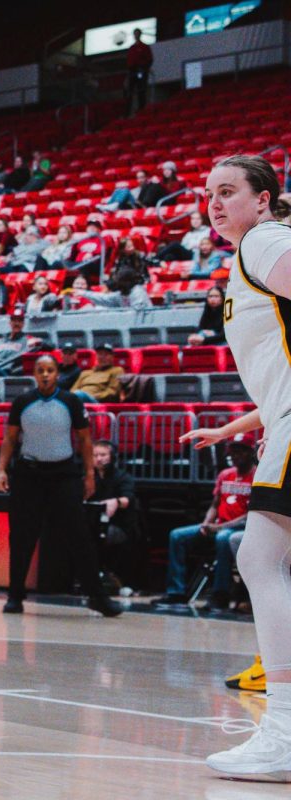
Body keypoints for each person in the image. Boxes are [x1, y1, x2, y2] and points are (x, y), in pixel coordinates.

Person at [180, 154, 291, 780]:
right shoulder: (251, 254)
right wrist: (232, 426)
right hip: (281, 417)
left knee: (260, 559)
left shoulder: (265, 242)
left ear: (264, 198)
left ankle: (282, 733)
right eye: (209, 195)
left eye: (229, 191)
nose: (216, 203)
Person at [0, 355, 123, 616]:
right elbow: (10, 439)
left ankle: (97, 597)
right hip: (29, 475)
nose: (45, 375)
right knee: (21, 537)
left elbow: (85, 440)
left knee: (79, 536)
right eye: (41, 370)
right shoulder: (22, 402)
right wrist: (1, 469)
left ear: (57, 374)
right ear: (34, 374)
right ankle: (15, 596)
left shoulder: (71, 401)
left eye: (50, 370)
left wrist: (89, 474)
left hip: (63, 475)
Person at [154, 433, 255, 609]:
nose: (236, 455)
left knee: (223, 538)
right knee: (177, 535)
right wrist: (206, 523)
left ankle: (220, 594)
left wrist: (218, 527)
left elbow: (250, 516)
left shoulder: (257, 476)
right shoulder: (225, 474)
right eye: (233, 451)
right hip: (217, 525)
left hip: (241, 529)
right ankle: (176, 592)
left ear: (251, 453)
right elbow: (215, 505)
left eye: (241, 451)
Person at [88, 440, 141, 593]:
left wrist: (115, 502)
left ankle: (110, 578)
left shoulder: (123, 477)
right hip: (95, 523)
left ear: (112, 457)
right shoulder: (89, 479)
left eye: (103, 455)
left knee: (100, 536)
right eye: (95, 455)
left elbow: (127, 499)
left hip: (120, 526)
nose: (98, 459)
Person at [125, 27, 153, 115]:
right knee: (130, 91)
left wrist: (144, 68)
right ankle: (128, 111)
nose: (136, 35)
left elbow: (149, 59)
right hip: (132, 71)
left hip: (141, 70)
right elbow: (129, 61)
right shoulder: (132, 48)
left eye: (137, 33)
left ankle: (141, 109)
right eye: (135, 34)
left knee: (141, 90)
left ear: (140, 34)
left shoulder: (144, 47)